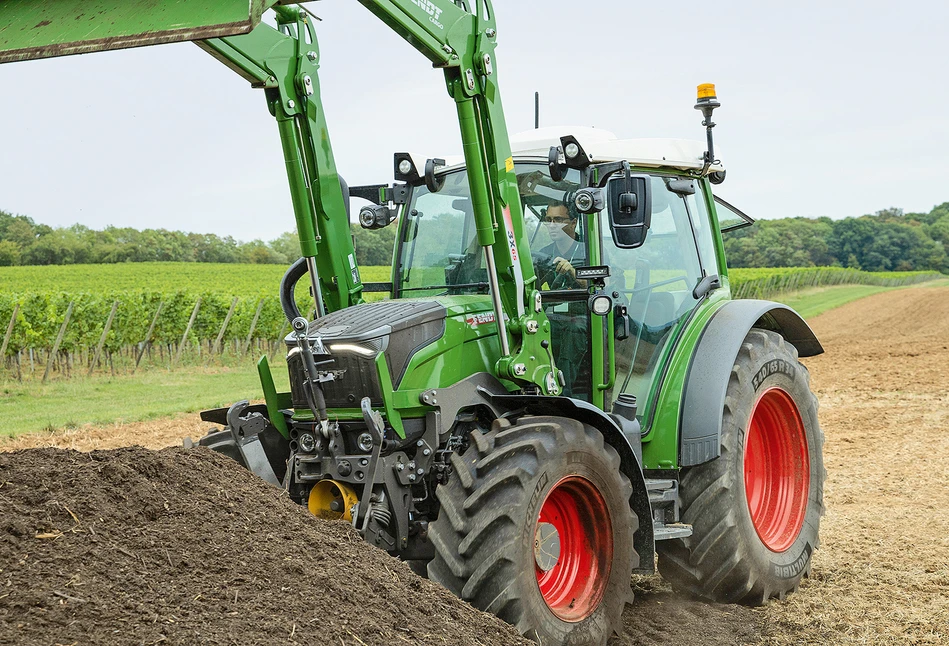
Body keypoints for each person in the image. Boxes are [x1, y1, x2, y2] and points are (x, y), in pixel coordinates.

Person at [534, 201, 586, 290]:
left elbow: (601, 287)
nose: (552, 225)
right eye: (548, 220)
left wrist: (572, 272)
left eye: (558, 220)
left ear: (573, 223)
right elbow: (534, 290)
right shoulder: (543, 254)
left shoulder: (590, 251)